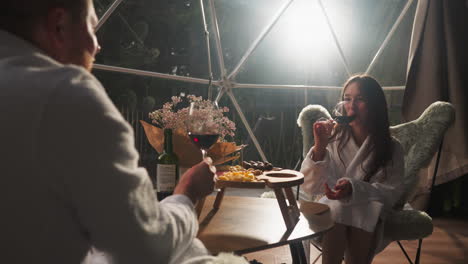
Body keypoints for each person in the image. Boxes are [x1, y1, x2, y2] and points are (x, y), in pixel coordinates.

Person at [0, 1, 247, 263]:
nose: (97, 46)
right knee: (195, 252)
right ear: (59, 25)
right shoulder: (64, 93)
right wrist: (186, 193)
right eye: (92, 29)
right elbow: (144, 248)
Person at [300, 75, 405, 264]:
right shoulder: (332, 139)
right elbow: (310, 186)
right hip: (331, 208)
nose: (351, 106)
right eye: (347, 99)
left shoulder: (392, 147)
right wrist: (319, 147)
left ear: (375, 105)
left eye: (360, 99)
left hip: (368, 209)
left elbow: (392, 191)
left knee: (363, 207)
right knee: (338, 207)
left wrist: (354, 189)